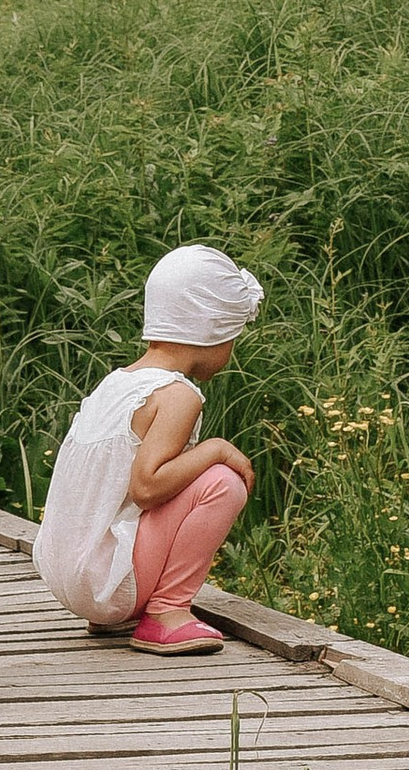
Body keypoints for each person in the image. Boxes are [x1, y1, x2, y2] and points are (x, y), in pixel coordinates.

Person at [33, 245, 265, 654]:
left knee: (190, 479)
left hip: (67, 574)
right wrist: (216, 449)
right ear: (214, 331)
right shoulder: (176, 394)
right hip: (106, 584)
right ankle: (166, 612)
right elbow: (147, 487)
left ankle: (117, 611)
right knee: (223, 484)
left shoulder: (118, 382)